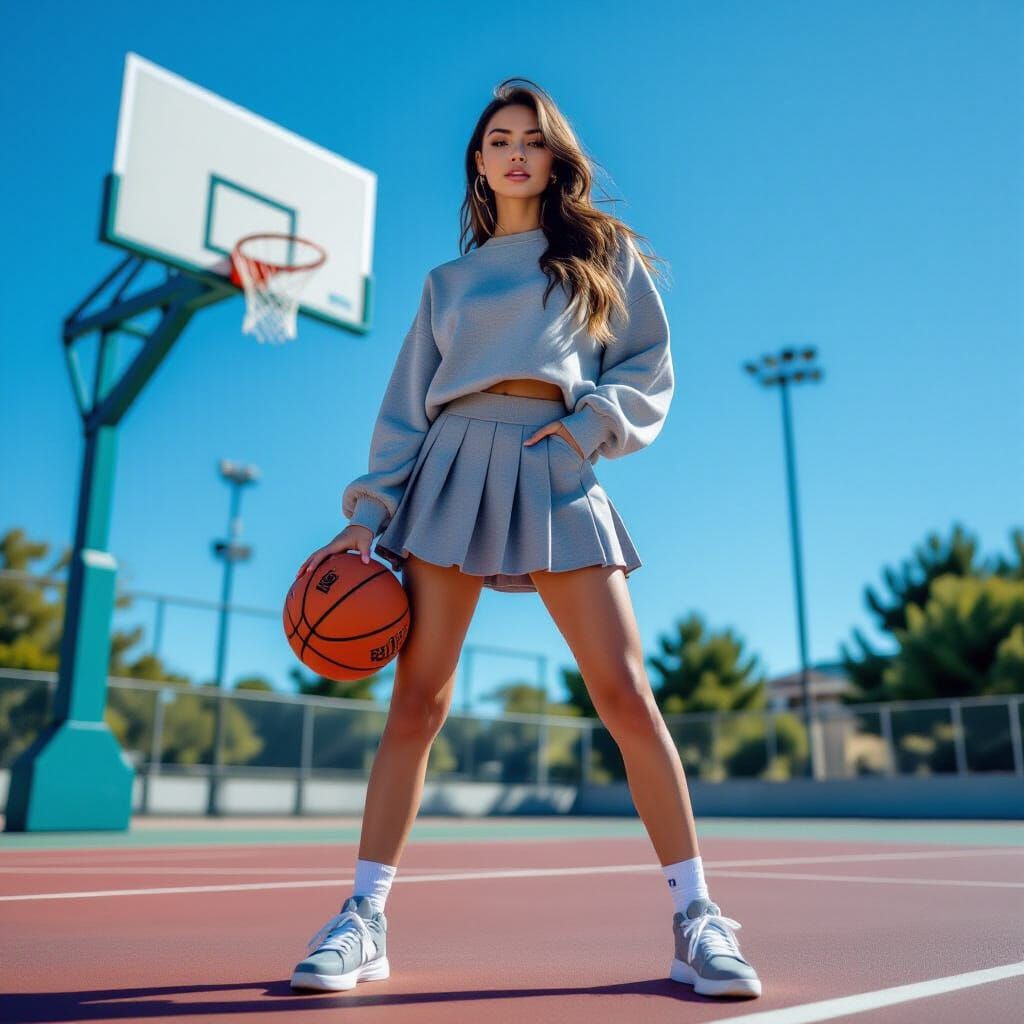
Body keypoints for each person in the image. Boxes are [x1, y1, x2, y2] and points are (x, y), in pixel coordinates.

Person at [288, 77, 762, 1001]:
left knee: (625, 694)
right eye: (498, 138)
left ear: (554, 157)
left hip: (553, 462)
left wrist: (593, 429)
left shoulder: (601, 254)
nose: (514, 151)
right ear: (479, 160)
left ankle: (698, 917)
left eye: (531, 139)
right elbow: (402, 415)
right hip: (450, 466)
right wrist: (367, 515)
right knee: (418, 702)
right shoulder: (446, 284)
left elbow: (648, 362)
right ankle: (363, 917)